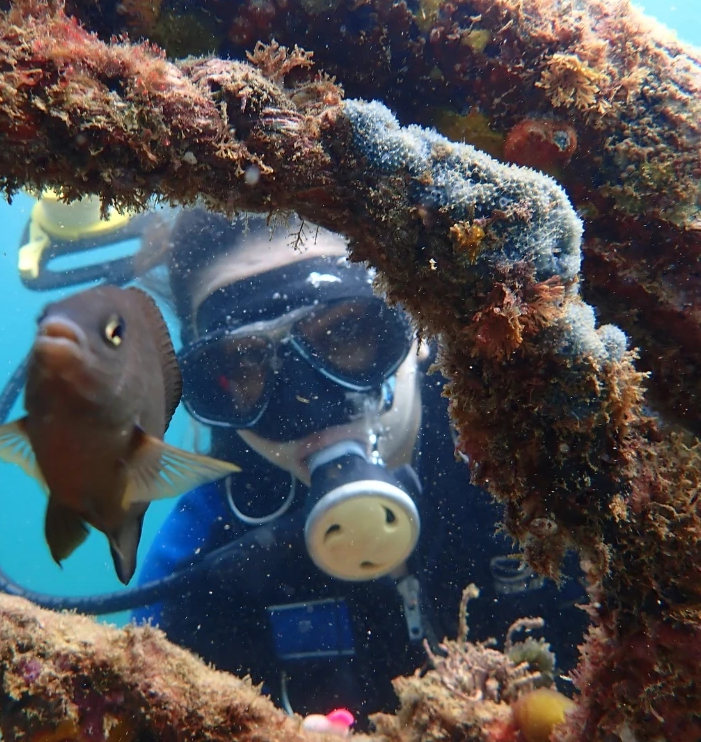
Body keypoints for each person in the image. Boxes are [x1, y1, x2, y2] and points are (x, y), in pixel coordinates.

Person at [129, 207, 588, 726]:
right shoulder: (204, 557)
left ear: (418, 322)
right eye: (245, 363)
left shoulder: (543, 454)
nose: (307, 405)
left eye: (346, 332)